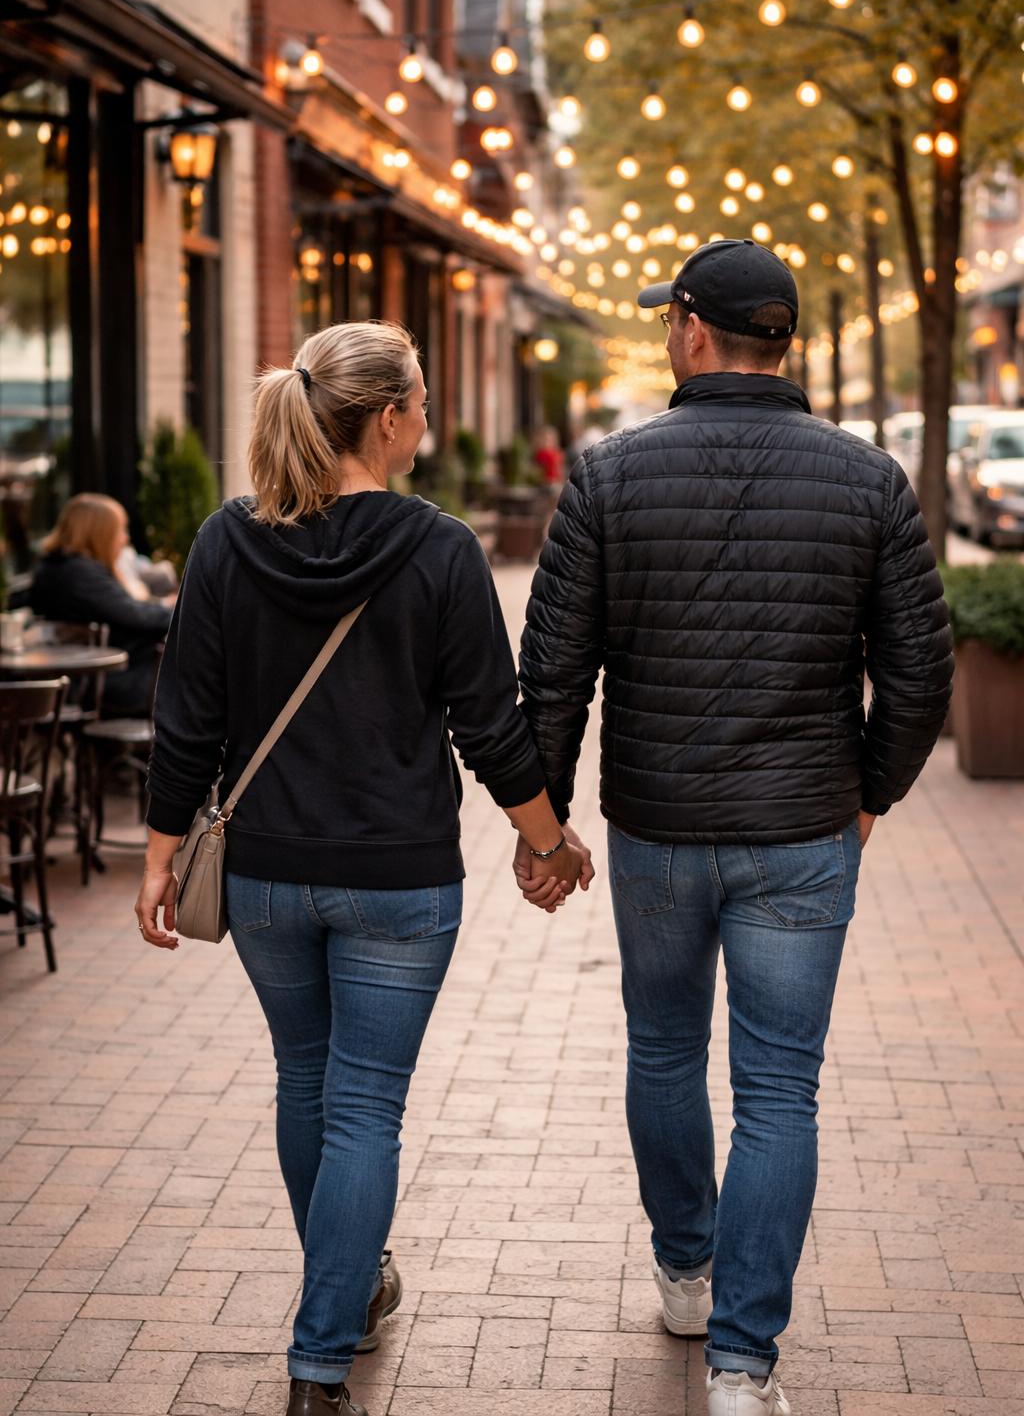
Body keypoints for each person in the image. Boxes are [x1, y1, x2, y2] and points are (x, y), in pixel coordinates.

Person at [515, 240, 953, 1416]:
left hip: (657, 829)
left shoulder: (608, 476)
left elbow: (553, 673)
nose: (667, 334)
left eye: (671, 321)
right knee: (780, 1094)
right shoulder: (870, 482)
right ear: (788, 344)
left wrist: (543, 827)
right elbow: (920, 678)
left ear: (696, 332)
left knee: (663, 1051)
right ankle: (744, 1367)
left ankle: (685, 1270)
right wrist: (868, 794)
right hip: (803, 829)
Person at [134, 320, 592, 1416]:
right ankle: (320, 1359)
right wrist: (546, 839)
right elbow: (490, 723)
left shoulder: (223, 544)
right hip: (397, 878)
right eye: (422, 403)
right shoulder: (437, 548)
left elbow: (186, 719)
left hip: (266, 878)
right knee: (364, 1110)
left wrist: (157, 860)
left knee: (309, 1084)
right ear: (386, 421)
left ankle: (348, 1292)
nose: (427, 422)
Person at [31, 493, 174, 712]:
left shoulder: (58, 567)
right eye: (120, 530)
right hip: (103, 681)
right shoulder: (78, 573)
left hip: (92, 675)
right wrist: (188, 612)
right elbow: (133, 614)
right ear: (98, 533)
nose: (125, 539)